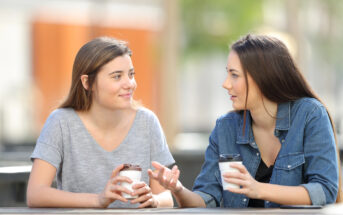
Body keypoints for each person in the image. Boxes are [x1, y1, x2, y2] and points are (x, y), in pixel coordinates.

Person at [148, 34, 342, 208]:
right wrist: (178, 189)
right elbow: (206, 198)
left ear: (263, 77)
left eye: (234, 75)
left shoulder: (310, 114)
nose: (225, 84)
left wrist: (258, 189)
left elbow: (324, 190)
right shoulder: (226, 127)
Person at [27, 37, 175, 208]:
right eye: (117, 76)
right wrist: (98, 200)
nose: (130, 84)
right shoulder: (61, 122)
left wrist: (154, 200)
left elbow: (167, 197)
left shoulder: (148, 123)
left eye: (131, 74)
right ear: (87, 82)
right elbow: (36, 193)